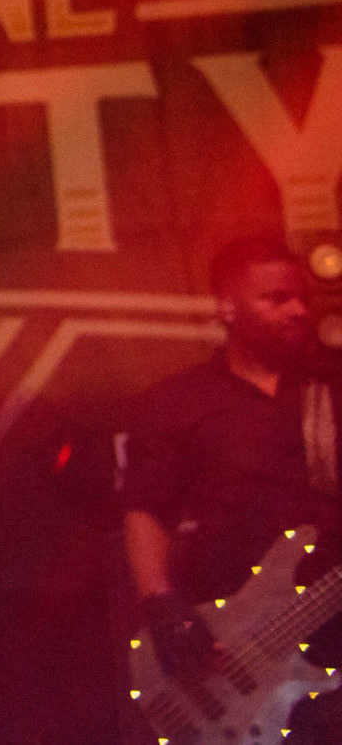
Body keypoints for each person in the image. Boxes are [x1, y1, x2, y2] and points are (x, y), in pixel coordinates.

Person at [123, 236, 339, 709]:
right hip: (236, 638)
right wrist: (160, 604)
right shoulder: (177, 402)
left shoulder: (330, 386)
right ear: (226, 308)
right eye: (276, 299)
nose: (298, 310)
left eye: (303, 297)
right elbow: (146, 509)